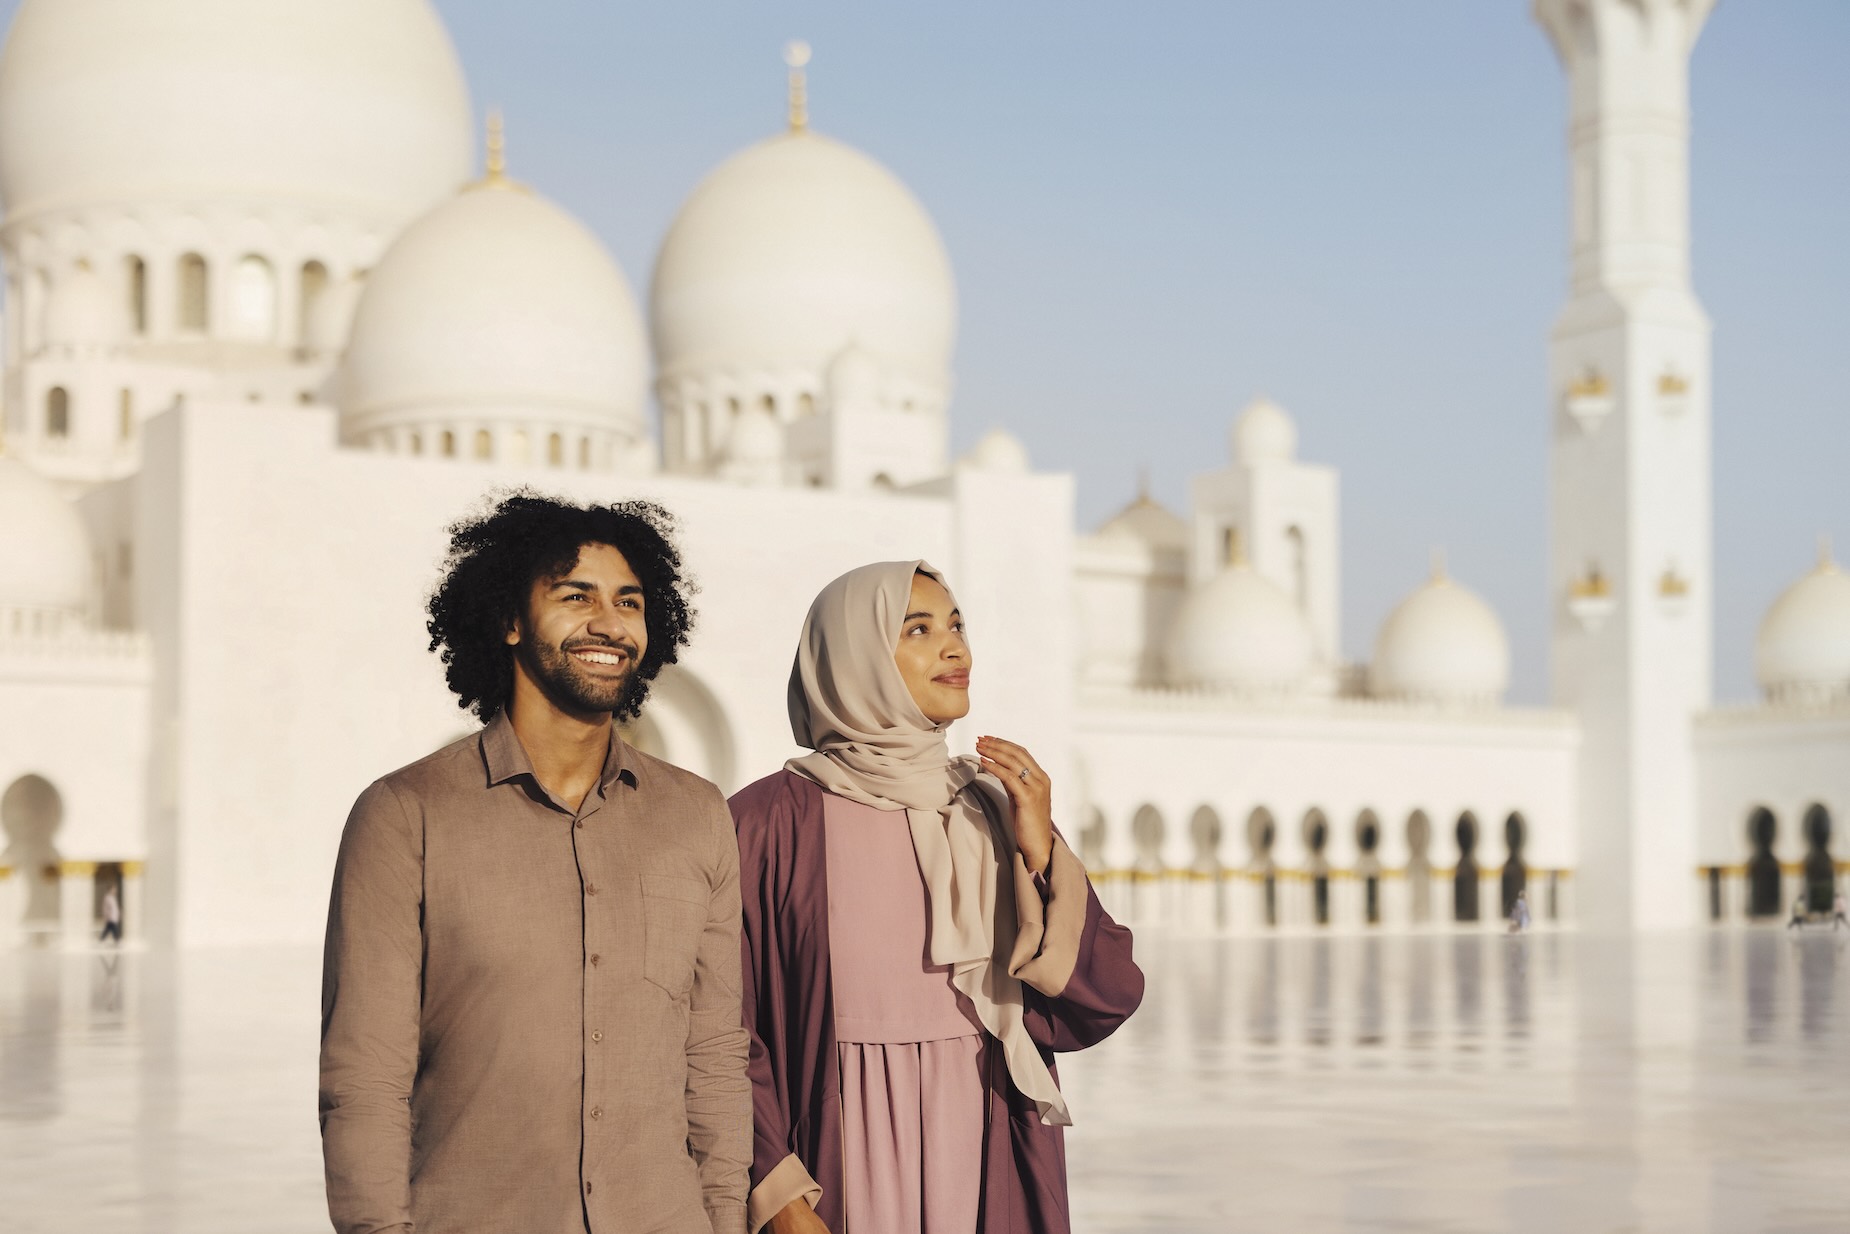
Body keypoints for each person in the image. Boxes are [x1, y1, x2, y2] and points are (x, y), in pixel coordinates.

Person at [319, 494, 751, 1234]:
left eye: (629, 602)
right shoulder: (404, 816)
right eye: (574, 596)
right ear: (511, 619)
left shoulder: (698, 815)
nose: (608, 624)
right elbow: (364, 1080)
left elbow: (712, 1059)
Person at [731, 560, 1144, 1234]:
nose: (954, 648)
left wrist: (1039, 852)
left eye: (956, 625)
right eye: (917, 629)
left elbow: (1105, 996)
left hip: (979, 1136)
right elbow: (719, 1026)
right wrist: (776, 1189)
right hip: (835, 1149)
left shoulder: (991, 811)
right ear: (851, 656)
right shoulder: (763, 824)